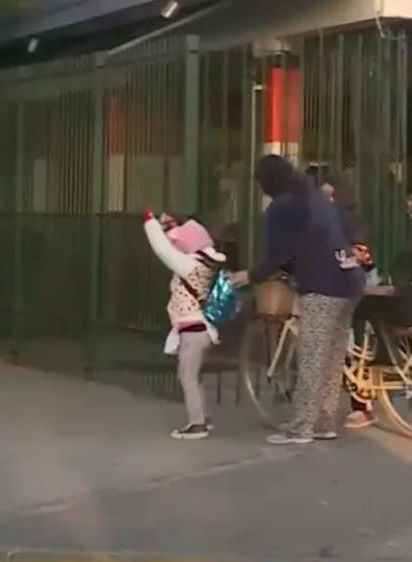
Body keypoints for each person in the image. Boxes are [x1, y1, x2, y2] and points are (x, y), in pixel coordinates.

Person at [232, 155, 366, 445]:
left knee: (312, 358)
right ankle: (323, 422)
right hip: (350, 280)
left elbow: (275, 256)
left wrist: (251, 275)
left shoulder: (281, 207)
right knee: (332, 357)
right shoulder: (313, 197)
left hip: (322, 284)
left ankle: (300, 427)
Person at [143, 211, 226, 441]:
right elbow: (175, 245)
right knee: (193, 375)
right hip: (199, 331)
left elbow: (163, 250)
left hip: (193, 331)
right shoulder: (203, 263)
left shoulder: (191, 266)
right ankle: (203, 419)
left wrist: (150, 223)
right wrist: (169, 226)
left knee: (187, 376)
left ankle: (197, 424)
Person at [307, 167, 378, 430]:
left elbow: (356, 253)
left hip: (349, 286)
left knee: (345, 343)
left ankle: (361, 405)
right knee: (349, 342)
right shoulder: (344, 215)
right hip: (355, 283)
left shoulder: (342, 217)